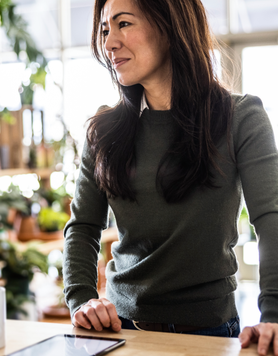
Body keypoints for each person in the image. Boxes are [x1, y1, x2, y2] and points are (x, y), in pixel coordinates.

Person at [62, 0, 278, 355]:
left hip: (209, 333)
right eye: (104, 29)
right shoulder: (103, 129)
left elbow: (271, 220)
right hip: (119, 333)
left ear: (170, 25)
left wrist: (274, 313)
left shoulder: (240, 117)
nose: (110, 42)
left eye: (124, 24)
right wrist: (82, 300)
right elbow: (83, 225)